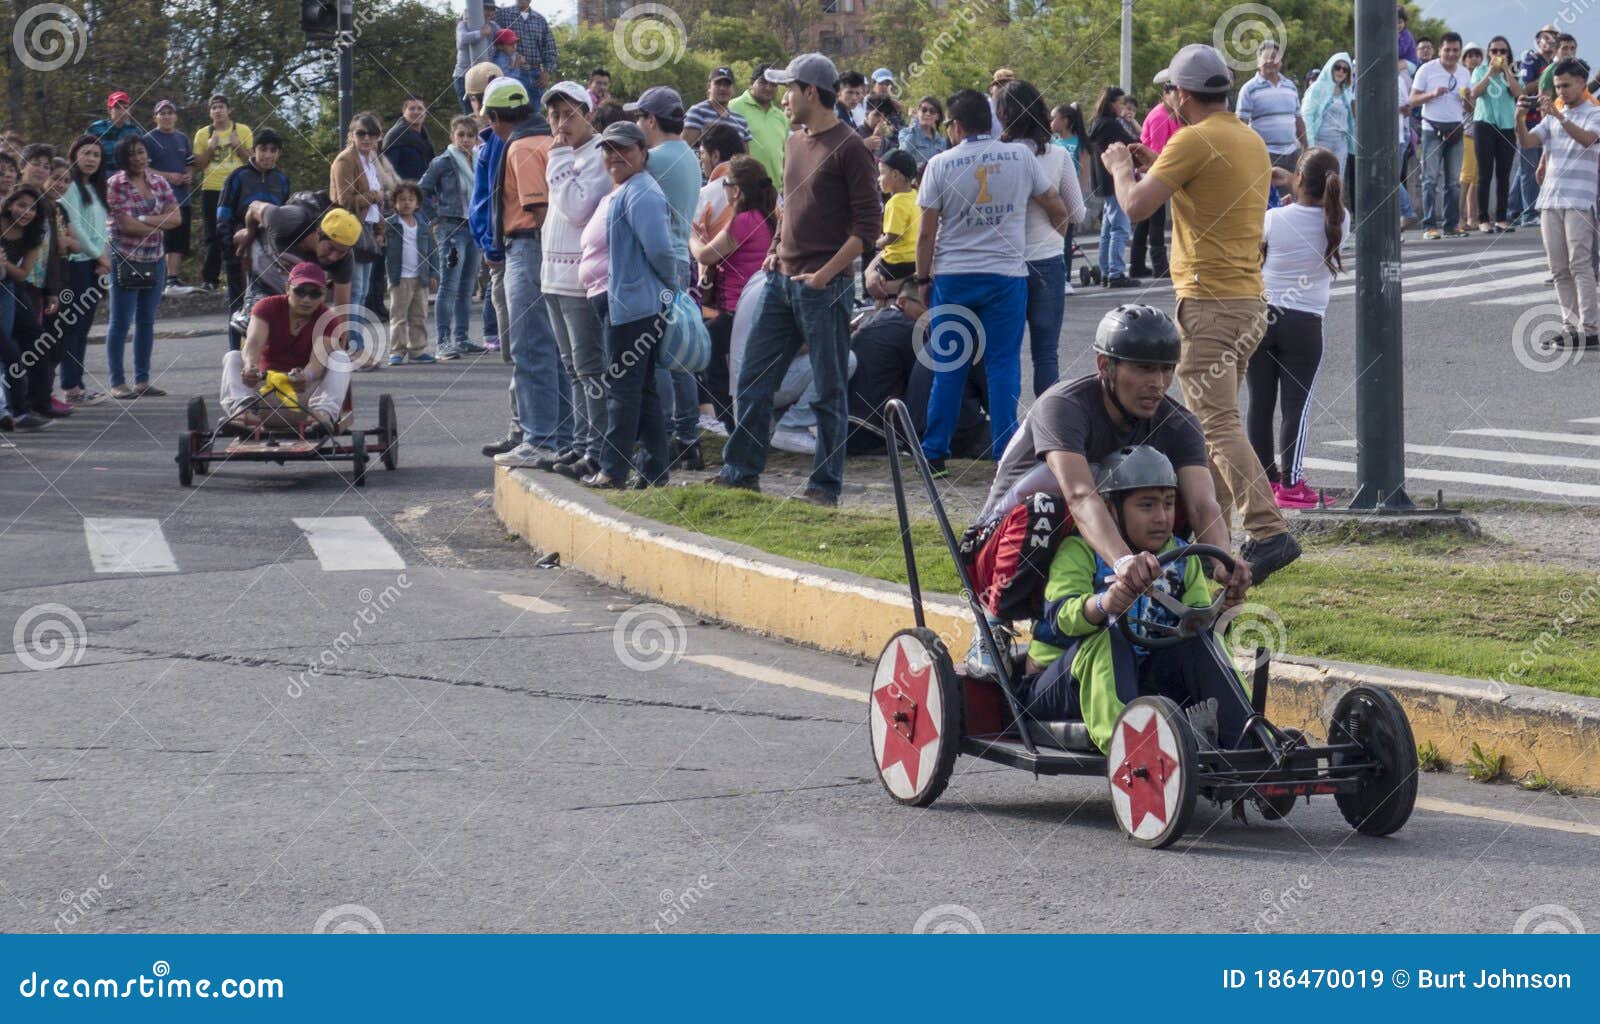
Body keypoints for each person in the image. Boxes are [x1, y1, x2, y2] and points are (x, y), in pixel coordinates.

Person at [956, 304, 1247, 679]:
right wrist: (1125, 563)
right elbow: (1078, 494)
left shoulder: (1178, 422)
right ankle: (991, 626)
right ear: (1105, 366)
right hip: (1001, 551)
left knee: (1169, 501)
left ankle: (1142, 617)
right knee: (1051, 502)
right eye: (1143, 368)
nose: (1157, 383)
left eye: (1165, 369)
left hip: (1085, 548)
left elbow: (1205, 505)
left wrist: (1223, 563)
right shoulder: (1064, 406)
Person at [1101, 42, 1301, 582]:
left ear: (1184, 94)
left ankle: (1269, 530)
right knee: (1211, 432)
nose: (1168, 100)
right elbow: (1205, 191)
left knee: (1214, 423)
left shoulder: (1191, 139)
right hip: (1248, 299)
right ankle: (1214, 545)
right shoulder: (1249, 139)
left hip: (1210, 301)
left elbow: (1136, 206)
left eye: (1169, 92)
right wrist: (1155, 164)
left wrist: (1122, 167)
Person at [711, 54, 881, 507]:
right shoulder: (793, 141)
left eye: (789, 88)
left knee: (828, 391)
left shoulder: (851, 147)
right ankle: (740, 471)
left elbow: (867, 229)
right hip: (780, 281)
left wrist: (823, 277)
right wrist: (773, 248)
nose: (782, 97)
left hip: (824, 288)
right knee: (752, 378)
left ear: (811, 92)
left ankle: (824, 487)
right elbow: (789, 204)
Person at [1021, 446, 1248, 752]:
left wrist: (1221, 612)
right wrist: (1105, 604)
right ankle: (1131, 749)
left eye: (1168, 504)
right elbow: (1061, 620)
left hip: (1142, 681)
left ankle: (1251, 741)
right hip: (1059, 686)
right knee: (1108, 638)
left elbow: (1193, 626)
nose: (1161, 517)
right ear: (1110, 509)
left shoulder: (1181, 555)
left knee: (1201, 642)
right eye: (1146, 506)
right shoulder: (1079, 550)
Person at [917, 87, 1070, 470]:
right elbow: (1055, 203)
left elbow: (925, 233)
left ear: (955, 126)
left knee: (949, 365)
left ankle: (935, 450)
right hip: (1005, 275)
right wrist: (1058, 234)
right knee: (1003, 365)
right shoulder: (1019, 156)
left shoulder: (940, 164)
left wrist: (922, 278)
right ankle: (1006, 451)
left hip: (953, 276)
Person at [1246, 148, 1348, 511]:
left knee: (1259, 402)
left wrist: (1281, 192)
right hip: (1304, 322)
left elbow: (1259, 251)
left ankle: (1264, 480)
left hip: (1263, 315)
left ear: (1299, 179)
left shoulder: (1273, 217)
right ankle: (1291, 482)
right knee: (1296, 409)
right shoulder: (1340, 220)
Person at [579, 121, 677, 489]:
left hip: (634, 307)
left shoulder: (643, 192)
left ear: (642, 152)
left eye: (623, 149)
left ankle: (612, 470)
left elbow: (661, 250)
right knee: (642, 387)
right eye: (607, 150)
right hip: (627, 304)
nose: (614, 157)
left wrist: (672, 287)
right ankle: (654, 470)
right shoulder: (629, 189)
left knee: (622, 389)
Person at [483, 76, 572, 468]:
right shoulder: (548, 139)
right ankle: (564, 435)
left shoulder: (519, 146)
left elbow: (538, 211)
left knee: (530, 345)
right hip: (552, 249)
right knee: (555, 349)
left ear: (497, 117)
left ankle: (541, 439)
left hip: (529, 246)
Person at [539, 80, 611, 480]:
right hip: (554, 276)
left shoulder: (597, 153)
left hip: (581, 280)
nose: (561, 122)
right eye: (554, 115)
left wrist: (559, 156)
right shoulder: (565, 154)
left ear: (587, 113)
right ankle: (581, 442)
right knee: (572, 369)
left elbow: (577, 207)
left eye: (569, 113)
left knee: (590, 369)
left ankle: (597, 448)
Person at [628, 86, 703, 468]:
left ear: (651, 120)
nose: (637, 126)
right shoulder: (690, 156)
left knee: (654, 356)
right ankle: (689, 436)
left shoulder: (654, 159)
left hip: (657, 259)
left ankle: (665, 435)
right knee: (678, 350)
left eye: (639, 118)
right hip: (681, 258)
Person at [998, 80, 1085, 397]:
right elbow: (1076, 214)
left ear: (1003, 114)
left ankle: (1005, 432)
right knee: (1046, 353)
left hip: (1004, 263)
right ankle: (1050, 430)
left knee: (1003, 355)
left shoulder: (996, 156)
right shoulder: (1058, 155)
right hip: (1048, 260)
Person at [845, 278, 989, 458]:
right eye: (926, 307)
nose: (931, 315)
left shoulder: (873, 320)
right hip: (879, 433)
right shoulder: (910, 330)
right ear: (903, 302)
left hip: (849, 427)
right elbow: (926, 386)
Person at [1516, 59, 1600, 350]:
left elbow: (1588, 140)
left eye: (1566, 85)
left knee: (1580, 264)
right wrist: (1519, 117)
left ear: (1581, 82)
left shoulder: (1593, 112)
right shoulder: (1553, 114)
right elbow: (1528, 141)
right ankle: (1570, 326)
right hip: (1550, 199)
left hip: (1579, 199)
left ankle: (1589, 328)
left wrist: (1560, 117)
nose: (1561, 91)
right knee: (1558, 268)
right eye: (1557, 87)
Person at [692, 153, 776, 431]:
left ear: (736, 190)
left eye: (726, 184)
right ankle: (735, 419)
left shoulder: (742, 221)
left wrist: (690, 236)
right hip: (750, 306)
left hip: (737, 309)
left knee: (705, 351)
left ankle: (729, 422)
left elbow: (705, 255)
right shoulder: (764, 216)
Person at [220, 262, 352, 429]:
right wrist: (250, 367)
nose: (306, 299)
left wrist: (306, 376)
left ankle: (323, 414)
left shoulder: (328, 319)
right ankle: (243, 412)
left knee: (340, 357)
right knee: (233, 356)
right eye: (300, 291)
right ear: (288, 288)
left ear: (324, 294)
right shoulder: (266, 307)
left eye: (314, 294)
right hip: (263, 394)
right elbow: (253, 342)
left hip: (305, 400)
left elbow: (318, 361)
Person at [104, 136, 180, 399]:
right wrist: (160, 222)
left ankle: (142, 380)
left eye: (141, 152)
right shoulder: (116, 184)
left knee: (146, 321)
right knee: (120, 322)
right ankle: (117, 382)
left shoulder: (159, 181)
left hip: (155, 258)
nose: (138, 157)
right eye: (132, 154)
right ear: (123, 158)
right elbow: (126, 226)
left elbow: (177, 218)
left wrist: (145, 219)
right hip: (125, 257)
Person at [329, 112, 396, 361]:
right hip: (349, 231)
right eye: (361, 133)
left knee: (363, 291)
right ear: (351, 135)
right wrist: (374, 196)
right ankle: (351, 347)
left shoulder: (371, 160)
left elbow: (377, 204)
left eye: (373, 134)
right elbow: (342, 200)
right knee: (354, 292)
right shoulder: (345, 161)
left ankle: (353, 345)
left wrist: (380, 231)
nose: (367, 138)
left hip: (367, 230)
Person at [217, 128, 290, 351]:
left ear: (278, 153)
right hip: (241, 252)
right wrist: (231, 252)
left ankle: (266, 359)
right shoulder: (238, 177)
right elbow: (223, 216)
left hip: (271, 256)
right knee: (239, 307)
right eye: (262, 149)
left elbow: (286, 218)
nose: (267, 155)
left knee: (270, 307)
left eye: (272, 151)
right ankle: (236, 357)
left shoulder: (282, 180)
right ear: (254, 150)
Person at [420, 115, 481, 360]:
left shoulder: (479, 160)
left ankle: (462, 338)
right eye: (461, 135)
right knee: (449, 285)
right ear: (452, 136)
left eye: (469, 135)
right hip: (451, 227)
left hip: (474, 227)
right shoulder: (443, 162)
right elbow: (422, 189)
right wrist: (434, 217)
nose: (465, 139)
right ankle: (443, 341)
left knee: (467, 286)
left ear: (476, 138)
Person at [233, 199, 358, 318]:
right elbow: (253, 207)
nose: (333, 257)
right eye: (330, 248)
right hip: (263, 272)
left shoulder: (344, 258)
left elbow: (342, 308)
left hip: (295, 291)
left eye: (341, 252)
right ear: (319, 232)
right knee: (253, 326)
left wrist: (340, 335)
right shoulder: (287, 219)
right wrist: (249, 233)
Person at [56, 136, 110, 404]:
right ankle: (70, 386)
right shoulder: (70, 188)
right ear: (74, 155)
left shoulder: (97, 189)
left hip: (96, 266)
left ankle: (77, 383)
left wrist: (104, 259)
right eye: (86, 153)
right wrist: (98, 255)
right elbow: (74, 226)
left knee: (85, 327)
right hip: (77, 265)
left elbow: (102, 229)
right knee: (73, 327)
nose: (91, 159)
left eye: (96, 155)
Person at [0, 186, 55, 430]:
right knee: (8, 351)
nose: (26, 212)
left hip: (6, 289)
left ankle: (16, 412)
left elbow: (22, 274)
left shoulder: (34, 235)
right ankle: (14, 411)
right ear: (10, 204)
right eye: (21, 205)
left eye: (32, 208)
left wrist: (3, 263)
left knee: (9, 352)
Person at [192, 95, 253, 293]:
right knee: (213, 235)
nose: (218, 111)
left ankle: (240, 277)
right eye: (214, 108)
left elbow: (253, 161)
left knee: (238, 233)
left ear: (229, 110)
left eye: (221, 107)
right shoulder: (203, 133)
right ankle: (210, 280)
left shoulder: (242, 130)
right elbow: (199, 165)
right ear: (210, 112)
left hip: (237, 188)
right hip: (211, 188)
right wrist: (210, 147)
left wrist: (237, 145)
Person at [1412, 33, 1469, 239]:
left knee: (1453, 181)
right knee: (1429, 179)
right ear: (1439, 50)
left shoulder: (1463, 73)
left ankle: (1451, 225)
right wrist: (1433, 94)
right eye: (1448, 50)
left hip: (1456, 129)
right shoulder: (1427, 70)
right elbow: (1413, 100)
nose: (1451, 54)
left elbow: (1469, 107)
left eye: (1455, 50)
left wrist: (1468, 100)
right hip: (1431, 129)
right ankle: (1429, 225)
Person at [1471, 36, 1525, 233]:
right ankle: (1483, 218)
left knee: (1503, 173)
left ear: (1508, 53)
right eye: (1494, 51)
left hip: (1507, 125)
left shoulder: (1514, 72)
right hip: (1484, 123)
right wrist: (1490, 74)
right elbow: (1474, 93)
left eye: (1502, 51)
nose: (1498, 55)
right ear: (1488, 54)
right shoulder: (1479, 70)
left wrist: (1506, 72)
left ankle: (1501, 218)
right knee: (1484, 174)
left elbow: (1519, 94)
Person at [1510, 26, 1561, 228]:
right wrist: (1547, 79)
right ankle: (1529, 213)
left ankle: (1512, 209)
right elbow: (1523, 89)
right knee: (1529, 168)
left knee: (1527, 168)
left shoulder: (1556, 64)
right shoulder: (1529, 60)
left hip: (1547, 119)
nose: (1550, 42)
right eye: (1545, 38)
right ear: (1538, 42)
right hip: (1529, 119)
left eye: (1553, 38)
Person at [1236, 41, 1308, 185]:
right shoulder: (1249, 89)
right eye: (1266, 57)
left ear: (1280, 62)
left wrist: (1306, 146)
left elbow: (1298, 120)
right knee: (1268, 199)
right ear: (1258, 62)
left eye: (1274, 57)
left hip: (1292, 155)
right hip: (1264, 154)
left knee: (1291, 198)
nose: (1270, 61)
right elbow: (1241, 125)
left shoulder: (1290, 87)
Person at [382, 181, 438, 365]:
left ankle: (417, 350)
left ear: (418, 204)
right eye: (402, 199)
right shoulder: (390, 225)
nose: (406, 203)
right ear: (395, 203)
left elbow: (432, 250)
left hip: (420, 277)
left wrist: (433, 273)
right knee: (398, 316)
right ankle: (397, 351)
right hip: (399, 278)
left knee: (419, 315)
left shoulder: (423, 226)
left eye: (411, 199)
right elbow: (382, 247)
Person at [142, 99, 195, 293]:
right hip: (158, 199)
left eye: (169, 113)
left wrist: (189, 175)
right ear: (156, 117)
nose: (166, 117)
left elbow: (190, 162)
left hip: (182, 196)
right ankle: (158, 278)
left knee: (180, 238)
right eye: (162, 113)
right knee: (161, 238)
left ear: (175, 116)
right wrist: (167, 176)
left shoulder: (182, 138)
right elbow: (143, 167)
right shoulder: (148, 138)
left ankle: (173, 278)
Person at [1087, 87, 1138, 287]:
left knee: (1108, 229)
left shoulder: (1097, 123)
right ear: (1111, 104)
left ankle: (1107, 271)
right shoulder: (1111, 125)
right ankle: (1116, 272)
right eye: (1120, 103)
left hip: (1103, 181)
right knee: (1120, 228)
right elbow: (1133, 143)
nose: (1123, 107)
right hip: (1116, 180)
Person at [1132, 77, 1182, 278]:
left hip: (1160, 169)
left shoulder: (1174, 114)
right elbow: (1157, 151)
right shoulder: (1160, 116)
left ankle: (1137, 264)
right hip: (1153, 170)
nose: (1180, 98)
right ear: (1165, 94)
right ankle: (1160, 265)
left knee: (1146, 222)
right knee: (1156, 221)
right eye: (1175, 94)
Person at [866, 146, 919, 305]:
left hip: (896, 262)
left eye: (881, 173)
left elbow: (892, 237)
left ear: (895, 175)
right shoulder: (914, 195)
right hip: (914, 259)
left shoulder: (895, 202)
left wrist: (877, 242)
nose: (878, 179)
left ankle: (880, 308)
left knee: (880, 294)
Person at [1050, 102, 1093, 293]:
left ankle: (1065, 278)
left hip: (1068, 196)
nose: (1051, 122)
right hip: (1051, 195)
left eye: (1054, 118)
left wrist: (1080, 197)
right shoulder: (1052, 142)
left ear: (1065, 120)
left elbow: (1084, 173)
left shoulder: (1079, 143)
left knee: (1066, 239)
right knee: (1052, 240)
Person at [728, 64, 787, 186]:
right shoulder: (733, 107)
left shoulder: (782, 117)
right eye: (763, 82)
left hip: (776, 191)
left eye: (773, 84)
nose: (769, 88)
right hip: (744, 188)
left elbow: (786, 156)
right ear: (751, 83)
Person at [491, 0, 557, 107]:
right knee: (516, 110)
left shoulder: (540, 20)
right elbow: (489, 33)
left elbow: (550, 48)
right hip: (513, 73)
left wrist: (547, 72)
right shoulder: (502, 14)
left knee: (535, 113)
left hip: (536, 75)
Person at [1302, 54, 1355, 175]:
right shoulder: (1317, 88)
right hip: (1321, 142)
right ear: (1331, 67)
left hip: (1341, 144)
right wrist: (1310, 145)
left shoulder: (1347, 92)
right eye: (1337, 67)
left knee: (1337, 181)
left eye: (1345, 69)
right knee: (1319, 182)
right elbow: (1307, 115)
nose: (1341, 71)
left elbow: (1352, 120)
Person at [683, 67, 751, 150]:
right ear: (709, 86)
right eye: (718, 84)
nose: (722, 88)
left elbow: (744, 158)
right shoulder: (697, 112)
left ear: (733, 89)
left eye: (727, 85)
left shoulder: (741, 121)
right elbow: (683, 149)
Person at [453, 2, 498, 114]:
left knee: (486, 113)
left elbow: (504, 38)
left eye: (492, 9)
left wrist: (514, 56)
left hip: (485, 78)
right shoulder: (463, 25)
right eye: (486, 9)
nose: (490, 13)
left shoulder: (493, 26)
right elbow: (463, 39)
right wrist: (481, 33)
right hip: (463, 77)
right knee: (470, 114)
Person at [1459, 42, 1484, 230]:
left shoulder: (1482, 77)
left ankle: (1472, 217)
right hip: (1466, 130)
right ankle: (1459, 217)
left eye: (1476, 55)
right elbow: (1468, 107)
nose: (1473, 58)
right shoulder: (1462, 79)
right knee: (1467, 174)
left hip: (1481, 131)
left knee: (1476, 176)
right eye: (1469, 55)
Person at [384, 95, 435, 183]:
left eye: (420, 109)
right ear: (404, 112)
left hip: (426, 191)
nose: (416, 112)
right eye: (412, 108)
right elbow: (388, 170)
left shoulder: (425, 136)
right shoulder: (396, 136)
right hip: (405, 191)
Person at [88, 92, 143, 174]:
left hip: (127, 178)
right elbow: (85, 152)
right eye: (118, 108)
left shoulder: (135, 131)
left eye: (125, 108)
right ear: (109, 110)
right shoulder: (96, 128)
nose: (122, 112)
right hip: (100, 177)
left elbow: (141, 157)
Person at [897, 96, 948, 169]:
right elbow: (903, 153)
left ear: (937, 116)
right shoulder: (905, 133)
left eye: (932, 111)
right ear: (918, 112)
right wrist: (914, 122)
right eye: (924, 110)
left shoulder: (942, 141)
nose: (927, 114)